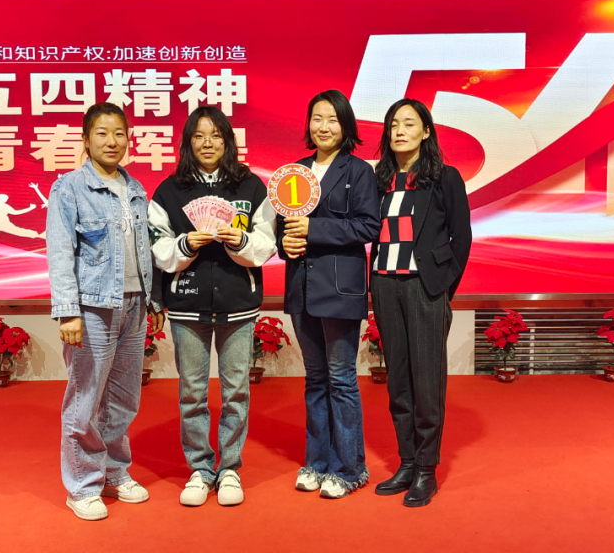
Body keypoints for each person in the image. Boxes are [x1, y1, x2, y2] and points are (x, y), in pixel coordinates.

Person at [149, 105, 277, 507]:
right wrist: (185, 245)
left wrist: (241, 242)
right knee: (192, 393)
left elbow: (266, 244)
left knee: (236, 391)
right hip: (187, 306)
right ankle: (200, 469)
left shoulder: (250, 186)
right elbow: (158, 249)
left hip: (239, 303)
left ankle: (230, 468)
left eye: (216, 135)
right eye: (199, 136)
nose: (208, 143)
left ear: (228, 141)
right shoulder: (169, 191)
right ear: (188, 142)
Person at [45, 102, 164, 521]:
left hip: (134, 305)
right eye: (102, 133)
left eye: (119, 133)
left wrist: (154, 300)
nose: (112, 141)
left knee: (123, 398)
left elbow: (146, 251)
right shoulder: (69, 188)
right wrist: (68, 312)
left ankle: (114, 471)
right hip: (93, 308)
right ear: (85, 139)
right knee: (85, 399)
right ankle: (82, 485)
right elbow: (60, 252)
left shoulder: (136, 188)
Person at [277, 89, 381, 499]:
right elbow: (284, 228)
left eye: (332, 119)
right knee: (315, 379)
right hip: (301, 288)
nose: (323, 126)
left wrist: (314, 229)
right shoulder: (295, 172)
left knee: (341, 379)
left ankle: (350, 468)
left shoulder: (360, 171)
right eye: (317, 118)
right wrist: (286, 243)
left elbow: (368, 226)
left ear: (346, 125)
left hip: (340, 290)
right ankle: (317, 463)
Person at [369, 98, 472, 508]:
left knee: (427, 381)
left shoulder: (444, 178)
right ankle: (407, 462)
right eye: (394, 124)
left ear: (426, 132)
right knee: (398, 381)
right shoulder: (378, 179)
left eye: (409, 124)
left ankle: (427, 470)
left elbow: (461, 239)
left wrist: (442, 288)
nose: (399, 131)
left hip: (423, 287)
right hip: (384, 285)